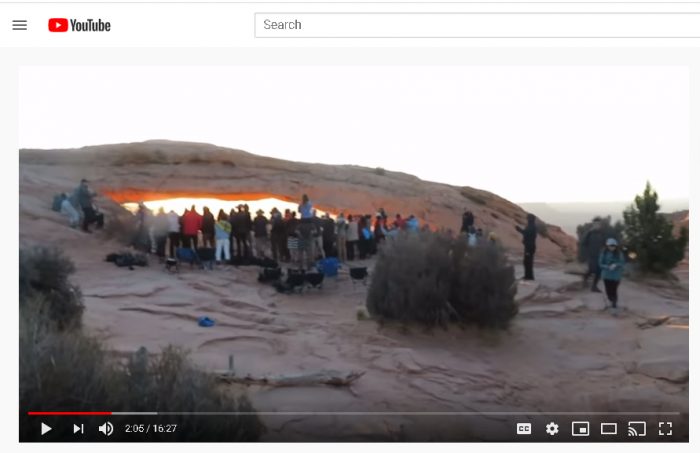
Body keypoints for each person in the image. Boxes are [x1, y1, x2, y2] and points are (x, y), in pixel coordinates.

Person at [599, 238, 626, 315]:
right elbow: (600, 263)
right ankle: (611, 300)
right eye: (610, 245)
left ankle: (614, 304)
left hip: (616, 276)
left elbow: (622, 263)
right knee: (608, 290)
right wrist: (607, 266)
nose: (612, 247)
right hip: (606, 275)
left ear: (616, 246)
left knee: (614, 290)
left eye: (613, 246)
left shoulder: (619, 254)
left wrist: (616, 265)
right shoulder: (603, 253)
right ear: (607, 246)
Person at [582, 217, 606, 292]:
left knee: (598, 271)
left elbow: (604, 244)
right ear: (593, 224)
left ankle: (593, 286)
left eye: (598, 224)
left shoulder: (601, 233)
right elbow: (583, 242)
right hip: (591, 256)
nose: (597, 225)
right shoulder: (589, 233)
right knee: (593, 270)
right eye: (595, 224)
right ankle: (586, 279)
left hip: (599, 256)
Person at [515, 213, 538, 280]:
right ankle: (528, 276)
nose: (527, 219)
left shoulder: (531, 226)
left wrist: (519, 229)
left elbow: (526, 233)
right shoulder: (532, 226)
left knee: (527, 262)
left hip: (529, 246)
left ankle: (529, 276)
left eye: (528, 218)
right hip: (529, 246)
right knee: (527, 261)